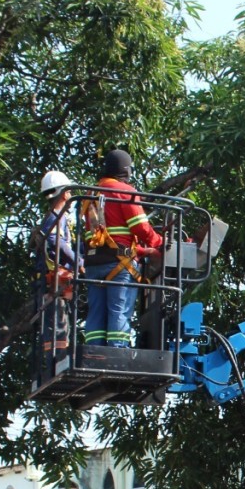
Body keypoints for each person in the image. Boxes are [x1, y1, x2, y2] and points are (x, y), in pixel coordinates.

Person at [82, 149, 162, 347]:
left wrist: (143, 251)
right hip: (118, 265)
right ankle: (117, 353)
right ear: (126, 170)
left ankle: (94, 352)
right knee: (119, 310)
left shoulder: (91, 194)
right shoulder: (124, 191)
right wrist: (158, 243)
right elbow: (140, 227)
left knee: (96, 312)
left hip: (93, 263)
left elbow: (103, 237)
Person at [35, 169, 82, 363]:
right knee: (57, 325)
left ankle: (56, 360)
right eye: (69, 192)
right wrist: (78, 262)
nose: (71, 196)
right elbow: (56, 241)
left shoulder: (55, 217)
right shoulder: (55, 218)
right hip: (52, 283)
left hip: (53, 282)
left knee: (58, 325)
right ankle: (56, 362)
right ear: (64, 193)